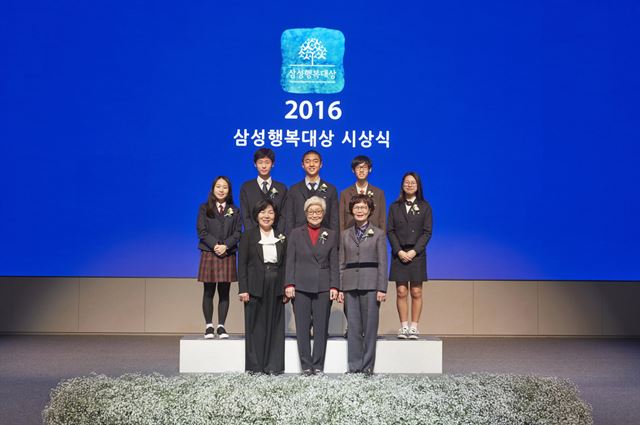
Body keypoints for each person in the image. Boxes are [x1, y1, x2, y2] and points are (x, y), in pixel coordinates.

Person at [285, 196, 339, 375]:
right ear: (305, 213)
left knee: (321, 327)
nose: (314, 215)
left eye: (318, 211)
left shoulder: (330, 234)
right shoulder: (295, 233)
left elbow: (334, 262)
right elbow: (290, 260)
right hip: (300, 286)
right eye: (311, 211)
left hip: (323, 286)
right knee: (302, 327)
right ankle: (306, 365)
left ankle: (318, 365)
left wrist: (334, 286)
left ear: (323, 214)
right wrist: (289, 284)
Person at [339, 194, 388, 374]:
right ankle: (354, 366)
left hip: (371, 284)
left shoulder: (379, 234)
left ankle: (367, 367)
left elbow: (383, 262)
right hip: (350, 285)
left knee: (369, 327)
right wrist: (341, 288)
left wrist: (382, 288)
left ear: (370, 211)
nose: (360, 211)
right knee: (353, 327)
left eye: (363, 207)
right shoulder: (345, 234)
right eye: (356, 207)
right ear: (351, 211)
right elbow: (341, 263)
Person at [237, 199, 287, 374]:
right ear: (256, 215)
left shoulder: (281, 236)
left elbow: (285, 264)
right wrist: (243, 288)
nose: (267, 216)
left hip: (276, 282)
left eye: (271, 212)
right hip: (254, 284)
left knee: (275, 325)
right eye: (263, 212)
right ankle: (255, 367)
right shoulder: (248, 236)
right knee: (255, 326)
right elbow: (242, 264)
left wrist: (286, 286)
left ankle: (273, 366)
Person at [387, 172, 433, 340]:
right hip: (399, 253)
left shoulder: (425, 206)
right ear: (402, 185)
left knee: (416, 291)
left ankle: (414, 327)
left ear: (418, 185)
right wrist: (399, 251)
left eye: (412, 182)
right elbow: (390, 231)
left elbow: (427, 233)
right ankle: (404, 326)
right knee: (400, 291)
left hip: (417, 254)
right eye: (406, 182)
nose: (409, 185)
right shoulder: (394, 206)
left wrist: (414, 251)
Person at [196, 176, 241, 339]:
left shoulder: (235, 210)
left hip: (227, 253)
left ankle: (221, 326)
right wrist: (215, 245)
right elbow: (201, 231)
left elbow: (237, 233)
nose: (221, 190)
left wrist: (226, 246)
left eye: (225, 187)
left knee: (224, 291)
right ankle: (209, 326)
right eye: (218, 186)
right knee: (208, 291)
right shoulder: (204, 208)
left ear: (229, 191)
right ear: (213, 189)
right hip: (209, 251)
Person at [285, 150, 338, 235]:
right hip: (299, 238)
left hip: (324, 238)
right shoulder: (294, 189)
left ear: (321, 164)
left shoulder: (331, 189)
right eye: (307, 161)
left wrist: (335, 243)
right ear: (302, 165)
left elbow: (334, 220)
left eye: (315, 161)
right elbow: (289, 220)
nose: (312, 164)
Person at [240, 148, 288, 234]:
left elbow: (283, 216)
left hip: (275, 238)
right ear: (255, 164)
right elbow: (245, 216)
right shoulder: (246, 187)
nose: (264, 166)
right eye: (260, 162)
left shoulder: (281, 188)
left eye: (267, 162)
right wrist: (253, 235)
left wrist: (276, 235)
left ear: (273, 164)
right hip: (253, 238)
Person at [339, 155, 387, 232]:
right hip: (351, 237)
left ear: (370, 169)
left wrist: (381, 241)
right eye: (358, 167)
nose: (361, 170)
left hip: (373, 237)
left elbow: (382, 220)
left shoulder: (379, 193)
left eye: (364, 167)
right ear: (353, 170)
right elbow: (342, 221)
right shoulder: (345, 193)